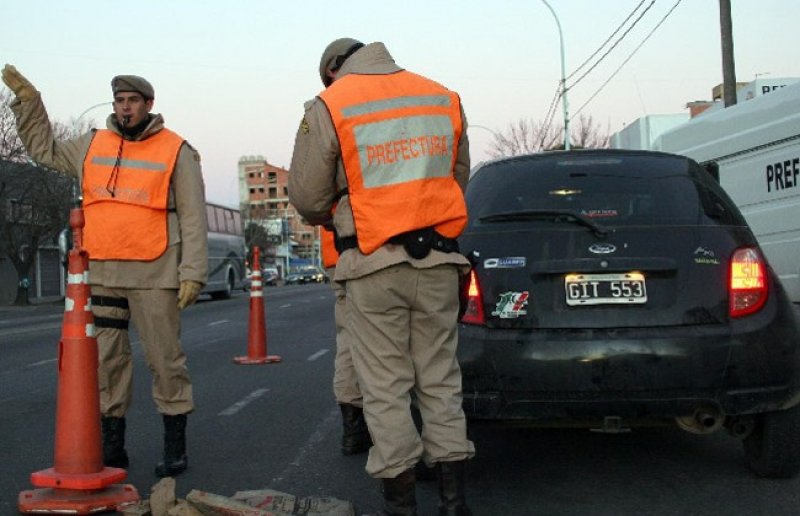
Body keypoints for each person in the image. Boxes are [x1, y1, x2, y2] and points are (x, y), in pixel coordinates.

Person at [289, 39, 475, 516]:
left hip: (373, 263)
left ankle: (402, 505)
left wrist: (346, 211)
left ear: (333, 69)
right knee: (439, 379)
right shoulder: (442, 96)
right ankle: (454, 504)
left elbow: (308, 198)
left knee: (386, 386)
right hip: (438, 260)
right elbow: (458, 178)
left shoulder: (331, 104)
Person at [1, 65, 208, 478]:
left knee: (165, 361)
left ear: (149, 105)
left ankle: (175, 447)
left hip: (155, 272)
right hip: (104, 272)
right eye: (119, 101)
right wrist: (29, 102)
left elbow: (192, 216)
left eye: (133, 101)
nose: (125, 108)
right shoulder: (92, 143)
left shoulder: (176, 150)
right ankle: (113, 448)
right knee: (108, 364)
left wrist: (193, 272)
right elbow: (44, 151)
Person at [321, 227, 373, 456]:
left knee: (348, 338)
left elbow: (308, 202)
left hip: (337, 252)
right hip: (377, 245)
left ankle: (353, 432)